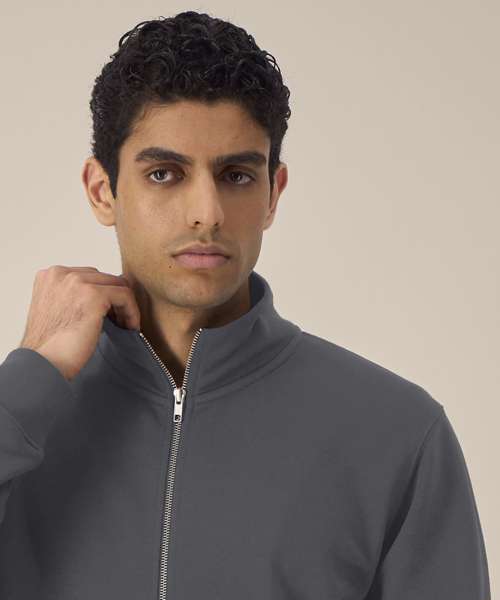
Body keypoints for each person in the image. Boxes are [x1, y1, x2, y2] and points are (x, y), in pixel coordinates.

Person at [0, 10, 491, 600]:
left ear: (272, 194)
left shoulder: (398, 432)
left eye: (235, 175)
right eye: (164, 174)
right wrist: (30, 380)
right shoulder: (23, 420)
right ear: (102, 190)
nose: (206, 213)